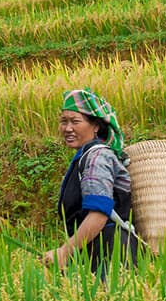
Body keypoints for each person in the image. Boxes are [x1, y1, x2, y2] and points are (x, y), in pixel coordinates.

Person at [41, 88, 136, 278]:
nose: (67, 128)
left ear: (95, 127)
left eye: (75, 121)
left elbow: (99, 213)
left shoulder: (97, 158)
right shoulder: (85, 156)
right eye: (64, 121)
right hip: (98, 252)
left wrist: (64, 252)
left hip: (112, 254)